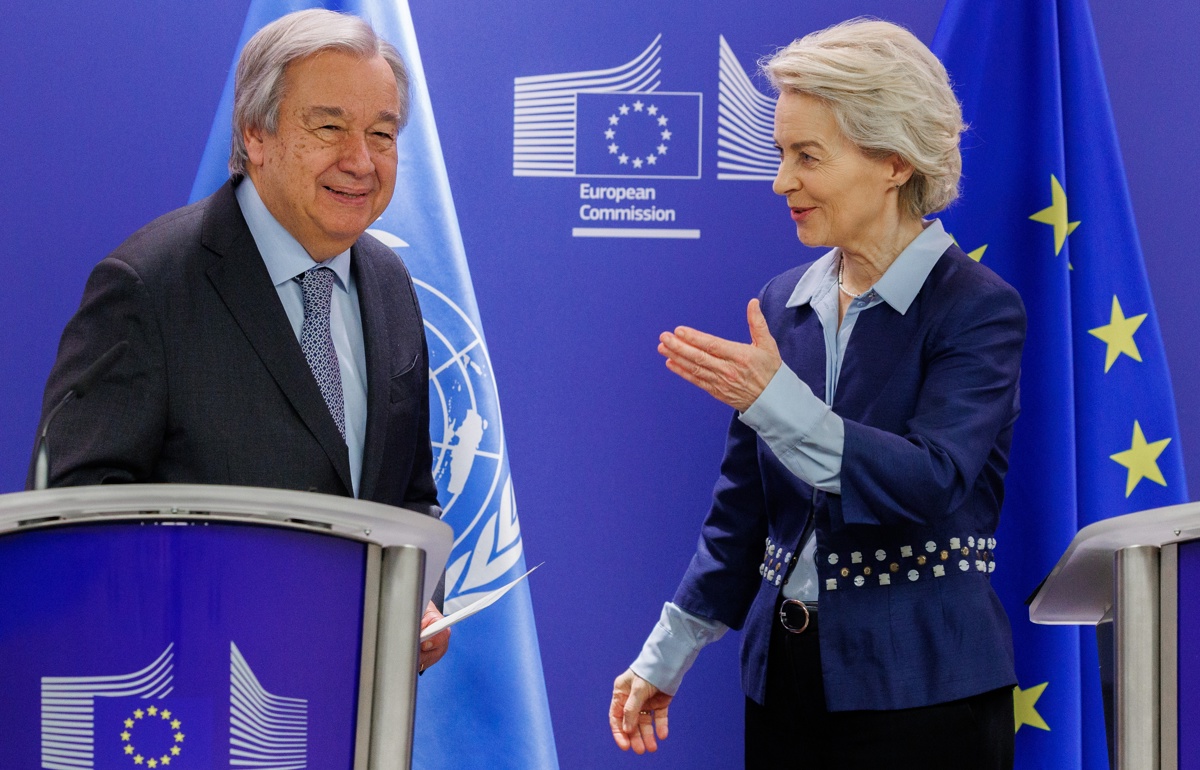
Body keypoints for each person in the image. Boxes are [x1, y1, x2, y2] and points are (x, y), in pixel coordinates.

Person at [609, 18, 1025, 769]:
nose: (781, 182)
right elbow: (742, 517)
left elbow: (932, 480)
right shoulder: (780, 305)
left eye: (807, 156)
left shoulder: (976, 308)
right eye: (780, 154)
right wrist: (662, 657)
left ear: (894, 161)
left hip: (926, 696)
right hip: (786, 691)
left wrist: (776, 402)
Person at [29, 10, 450, 673]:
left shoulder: (391, 282)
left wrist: (418, 603)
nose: (360, 160)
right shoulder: (149, 285)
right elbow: (74, 530)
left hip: (354, 708)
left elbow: (409, 495)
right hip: (186, 706)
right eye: (330, 127)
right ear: (256, 134)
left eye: (382, 133)